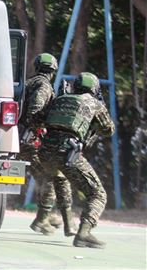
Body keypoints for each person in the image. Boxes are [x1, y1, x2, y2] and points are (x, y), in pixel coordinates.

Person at [38, 72, 115, 248]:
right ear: (94, 88)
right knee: (98, 194)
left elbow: (41, 119)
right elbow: (109, 129)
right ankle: (84, 234)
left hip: (44, 152)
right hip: (66, 152)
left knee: (60, 179)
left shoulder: (60, 99)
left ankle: (67, 223)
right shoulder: (93, 103)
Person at [20, 53, 76, 236]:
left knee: (48, 178)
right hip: (30, 139)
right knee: (48, 178)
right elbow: (34, 112)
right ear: (53, 69)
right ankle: (41, 220)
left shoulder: (30, 82)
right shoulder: (43, 86)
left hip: (22, 138)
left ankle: (48, 216)